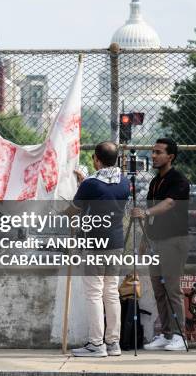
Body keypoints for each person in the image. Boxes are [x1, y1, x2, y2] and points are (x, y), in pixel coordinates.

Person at [70, 142, 130, 358]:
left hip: (94, 242)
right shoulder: (124, 181)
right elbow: (104, 194)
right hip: (116, 242)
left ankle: (96, 344)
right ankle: (113, 343)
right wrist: (84, 184)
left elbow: (74, 210)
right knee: (111, 292)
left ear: (96, 159)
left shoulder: (91, 184)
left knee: (94, 292)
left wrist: (80, 186)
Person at [132, 138, 190, 352]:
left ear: (170, 156)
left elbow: (169, 203)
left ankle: (179, 335)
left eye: (158, 152)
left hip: (174, 241)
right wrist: (143, 243)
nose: (154, 155)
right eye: (153, 152)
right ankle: (166, 334)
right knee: (158, 290)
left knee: (172, 290)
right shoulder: (155, 182)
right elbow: (150, 216)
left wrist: (146, 212)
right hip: (155, 242)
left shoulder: (179, 180)